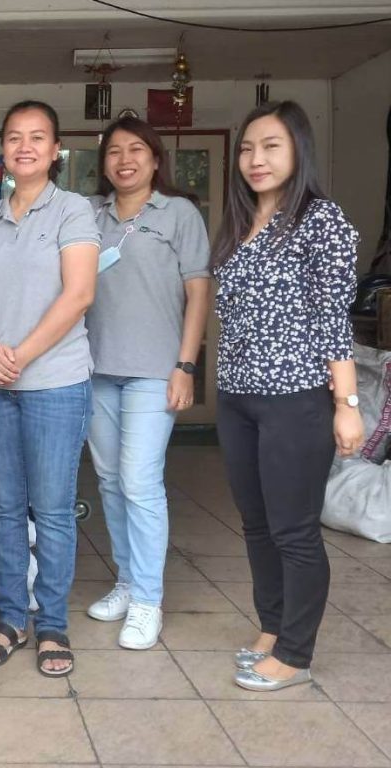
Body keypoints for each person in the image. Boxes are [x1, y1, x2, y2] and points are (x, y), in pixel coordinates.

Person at [212, 101, 365, 691]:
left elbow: (333, 319)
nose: (257, 159)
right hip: (237, 397)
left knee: (293, 530)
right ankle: (273, 627)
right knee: (255, 523)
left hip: (295, 398)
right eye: (248, 148)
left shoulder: (323, 221)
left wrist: (346, 406)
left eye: (271, 146)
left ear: (298, 150)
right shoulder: (241, 221)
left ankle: (296, 654)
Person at [0, 100, 99, 677]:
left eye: (38, 137)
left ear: (55, 150)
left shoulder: (74, 211)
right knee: (7, 509)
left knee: (55, 510)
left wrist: (22, 355)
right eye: (14, 137)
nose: (25, 146)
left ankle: (53, 625)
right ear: (4, 150)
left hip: (57, 384)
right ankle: (11, 616)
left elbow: (79, 294)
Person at [83, 117, 211, 650]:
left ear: (157, 160)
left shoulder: (178, 213)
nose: (125, 159)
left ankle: (147, 601)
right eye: (114, 151)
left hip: (154, 371)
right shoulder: (89, 215)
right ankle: (127, 580)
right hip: (94, 370)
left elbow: (199, 292)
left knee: (140, 482)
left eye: (137, 149)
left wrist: (186, 366)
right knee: (111, 482)